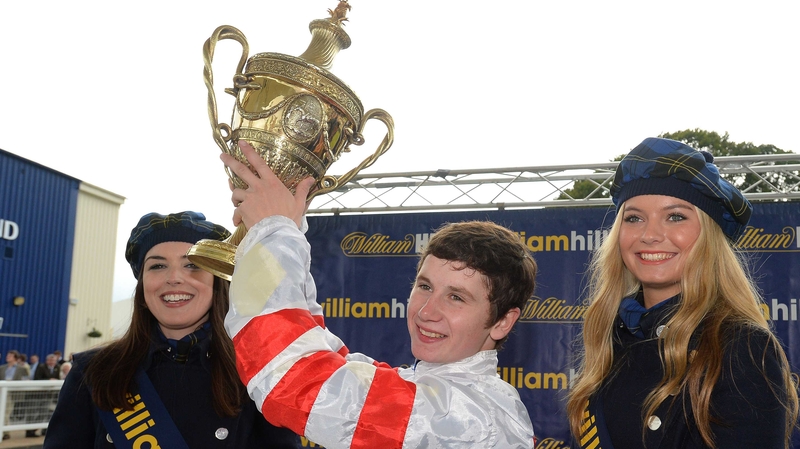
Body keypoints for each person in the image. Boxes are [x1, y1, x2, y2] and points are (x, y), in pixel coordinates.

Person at [220, 141, 538, 448]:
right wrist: (289, 224)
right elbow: (324, 356)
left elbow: (294, 380)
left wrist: (275, 231)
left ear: (502, 321)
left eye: (456, 297)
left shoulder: (470, 419)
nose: (427, 311)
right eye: (425, 286)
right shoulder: (440, 393)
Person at [566, 137, 799, 449]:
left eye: (675, 216)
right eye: (634, 218)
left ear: (709, 237)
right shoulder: (613, 339)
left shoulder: (741, 347)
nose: (649, 235)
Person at [44, 211, 301, 449]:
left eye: (192, 264)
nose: (174, 277)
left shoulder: (256, 374)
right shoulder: (93, 372)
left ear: (217, 282)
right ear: (142, 285)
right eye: (157, 266)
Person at [0, 350, 30, 440]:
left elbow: (26, 380)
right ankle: (4, 431)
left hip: (12, 393)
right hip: (1, 392)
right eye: (8, 355)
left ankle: (5, 432)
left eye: (10, 356)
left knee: (6, 413)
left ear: (15, 358)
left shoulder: (21, 369)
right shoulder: (2, 368)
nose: (8, 357)